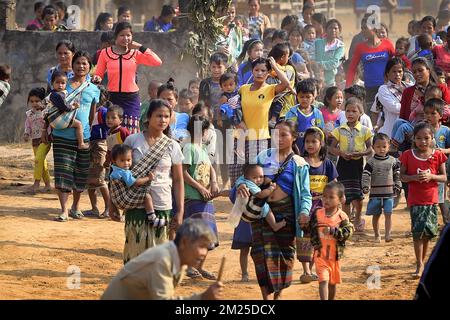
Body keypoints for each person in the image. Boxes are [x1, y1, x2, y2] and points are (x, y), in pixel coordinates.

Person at [237, 120, 312, 300]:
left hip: (287, 215)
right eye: (276, 134)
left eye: (284, 135)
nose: (279, 138)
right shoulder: (263, 157)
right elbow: (244, 177)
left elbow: (305, 194)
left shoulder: (300, 163)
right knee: (260, 256)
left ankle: (277, 296)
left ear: (294, 137)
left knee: (285, 258)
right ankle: (266, 300)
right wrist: (240, 185)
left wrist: (304, 212)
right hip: (261, 212)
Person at [121, 99, 184, 264]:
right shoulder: (132, 141)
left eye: (166, 116)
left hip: (162, 202)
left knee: (160, 249)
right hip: (135, 201)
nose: (162, 120)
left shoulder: (173, 146)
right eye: (158, 116)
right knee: (135, 247)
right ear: (148, 117)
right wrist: (114, 204)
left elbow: (178, 180)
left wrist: (180, 211)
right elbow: (121, 174)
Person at [101, 218, 223, 300]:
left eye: (207, 248)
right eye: (201, 247)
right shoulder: (162, 260)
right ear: (184, 242)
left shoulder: (179, 260)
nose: (204, 253)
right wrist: (202, 298)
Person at [47, 51, 100, 222]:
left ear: (90, 67)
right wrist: (44, 131)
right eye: (78, 63)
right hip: (62, 135)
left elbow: (92, 114)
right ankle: (63, 210)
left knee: (81, 173)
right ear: (73, 65)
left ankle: (75, 207)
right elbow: (50, 109)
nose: (81, 66)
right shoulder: (62, 84)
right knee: (63, 172)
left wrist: (89, 134)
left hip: (83, 136)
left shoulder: (93, 89)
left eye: (85, 63)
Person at [93, 22, 162, 134]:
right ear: (116, 36)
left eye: (128, 35)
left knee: (130, 133)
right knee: (113, 132)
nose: (125, 38)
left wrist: (140, 47)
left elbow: (157, 61)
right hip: (112, 98)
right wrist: (96, 80)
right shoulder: (105, 53)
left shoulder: (135, 53)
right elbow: (98, 74)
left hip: (131, 99)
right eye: (122, 35)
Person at [400, 122, 447, 278]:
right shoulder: (407, 155)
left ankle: (422, 261)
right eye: (419, 138)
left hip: (432, 200)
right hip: (415, 200)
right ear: (414, 139)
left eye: (426, 138)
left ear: (432, 138)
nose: (423, 142)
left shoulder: (438, 155)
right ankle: (419, 263)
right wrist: (414, 177)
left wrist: (431, 176)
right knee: (418, 233)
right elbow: (402, 177)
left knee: (427, 233)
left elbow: (444, 177)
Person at [298, 127, 338, 284]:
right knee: (305, 238)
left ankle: (311, 269)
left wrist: (334, 201)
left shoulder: (327, 164)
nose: (310, 144)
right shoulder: (300, 162)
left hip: (322, 207)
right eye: (307, 141)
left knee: (317, 240)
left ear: (321, 144)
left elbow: (334, 184)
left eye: (314, 141)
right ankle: (306, 271)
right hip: (306, 205)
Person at [182, 115, 219, 280]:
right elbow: (183, 173)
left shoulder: (202, 149)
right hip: (193, 198)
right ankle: (190, 267)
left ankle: (200, 267)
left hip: (206, 198)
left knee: (206, 234)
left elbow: (211, 168)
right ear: (202, 131)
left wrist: (214, 183)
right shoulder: (188, 148)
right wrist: (200, 188)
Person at [330, 97, 373, 232]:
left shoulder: (365, 130)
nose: (350, 114)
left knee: (358, 195)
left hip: (358, 165)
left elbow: (370, 148)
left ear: (360, 113)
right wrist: (341, 153)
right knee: (345, 196)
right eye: (348, 111)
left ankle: (358, 218)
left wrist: (361, 153)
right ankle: (347, 222)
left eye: (354, 111)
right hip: (343, 165)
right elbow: (331, 148)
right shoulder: (339, 130)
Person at [309, 181, 354, 300]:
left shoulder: (342, 216)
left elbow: (349, 232)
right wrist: (304, 225)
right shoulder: (317, 213)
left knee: (332, 283)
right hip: (320, 255)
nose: (326, 200)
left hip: (334, 257)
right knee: (323, 280)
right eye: (324, 196)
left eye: (331, 197)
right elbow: (310, 228)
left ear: (340, 200)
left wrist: (334, 231)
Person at [346, 14, 395, 114]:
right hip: (370, 89)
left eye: (365, 28)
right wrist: (347, 87)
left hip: (387, 87)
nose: (362, 31)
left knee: (387, 115)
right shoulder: (360, 47)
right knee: (372, 115)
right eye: (361, 28)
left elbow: (396, 63)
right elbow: (352, 68)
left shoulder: (387, 44)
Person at [362, 133, 401, 243]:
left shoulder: (393, 161)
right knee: (376, 215)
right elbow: (365, 175)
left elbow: (397, 174)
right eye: (378, 146)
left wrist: (398, 184)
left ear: (389, 146)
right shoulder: (371, 162)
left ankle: (388, 235)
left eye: (384, 146)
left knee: (388, 214)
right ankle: (377, 235)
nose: (381, 149)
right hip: (375, 194)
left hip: (389, 193)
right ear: (373, 147)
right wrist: (365, 186)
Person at [109, 143, 160, 226]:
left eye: (128, 160)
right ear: (114, 161)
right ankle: (152, 218)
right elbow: (134, 182)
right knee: (147, 196)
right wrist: (148, 178)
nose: (126, 163)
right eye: (122, 160)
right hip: (125, 199)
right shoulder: (123, 172)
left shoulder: (115, 170)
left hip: (117, 200)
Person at [198, 52, 229, 187]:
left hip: (226, 122)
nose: (216, 70)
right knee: (212, 151)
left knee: (225, 152)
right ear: (209, 67)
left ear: (225, 67)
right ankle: (212, 180)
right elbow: (201, 101)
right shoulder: (205, 83)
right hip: (210, 122)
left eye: (219, 67)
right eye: (213, 67)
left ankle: (226, 182)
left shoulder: (229, 82)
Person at [44, 71, 90, 150]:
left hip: (53, 121)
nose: (60, 85)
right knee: (79, 124)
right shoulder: (57, 95)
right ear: (52, 83)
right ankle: (81, 143)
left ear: (66, 84)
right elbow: (64, 107)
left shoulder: (54, 94)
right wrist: (73, 107)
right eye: (57, 82)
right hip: (57, 121)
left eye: (63, 83)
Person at [84, 88, 111, 219]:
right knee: (89, 180)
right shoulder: (86, 111)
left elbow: (111, 127)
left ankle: (108, 208)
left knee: (100, 179)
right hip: (89, 144)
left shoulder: (103, 112)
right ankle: (94, 208)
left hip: (100, 145)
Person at [423, 98, 450, 223]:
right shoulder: (422, 129)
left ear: (440, 115)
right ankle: (429, 223)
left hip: (441, 169)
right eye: (426, 113)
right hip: (426, 168)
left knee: (441, 196)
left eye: (433, 113)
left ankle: (446, 221)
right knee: (428, 196)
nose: (429, 116)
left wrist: (442, 151)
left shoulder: (445, 131)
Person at [370, 58, 409, 137]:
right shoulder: (384, 89)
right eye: (394, 71)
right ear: (387, 73)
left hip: (408, 132)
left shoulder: (409, 86)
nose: (397, 74)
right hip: (390, 133)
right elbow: (393, 108)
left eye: (400, 71)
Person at [23, 87, 51, 194]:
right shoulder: (29, 114)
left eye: (37, 101)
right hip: (34, 141)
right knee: (41, 162)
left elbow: (50, 123)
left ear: (43, 100)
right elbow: (28, 125)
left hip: (45, 140)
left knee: (38, 159)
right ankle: (48, 185)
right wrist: (26, 133)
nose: (34, 103)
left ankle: (36, 183)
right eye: (32, 101)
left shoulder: (46, 111)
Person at [285, 79, 325, 153]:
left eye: (308, 97)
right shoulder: (291, 112)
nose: (304, 99)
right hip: (294, 150)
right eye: (301, 96)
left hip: (312, 151)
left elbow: (320, 131)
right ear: (297, 96)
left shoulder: (317, 113)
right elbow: (287, 131)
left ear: (313, 97)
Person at [267, 42, 298, 123]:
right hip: (270, 110)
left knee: (282, 134)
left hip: (285, 112)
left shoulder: (289, 69)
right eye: (288, 56)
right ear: (283, 57)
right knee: (274, 134)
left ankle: (273, 119)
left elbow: (286, 83)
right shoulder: (270, 69)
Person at [313, 19, 345, 87]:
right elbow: (312, 58)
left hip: (331, 81)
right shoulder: (317, 43)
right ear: (326, 30)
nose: (333, 30)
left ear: (339, 30)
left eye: (335, 28)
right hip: (315, 80)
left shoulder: (340, 46)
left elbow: (335, 62)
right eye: (330, 28)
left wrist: (318, 64)